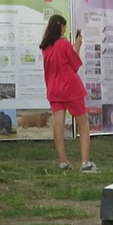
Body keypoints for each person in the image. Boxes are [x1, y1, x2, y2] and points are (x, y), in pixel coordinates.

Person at [39, 15, 97, 172]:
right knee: (83, 124)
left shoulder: (46, 47)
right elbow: (75, 65)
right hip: (70, 89)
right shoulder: (63, 44)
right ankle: (85, 163)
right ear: (61, 28)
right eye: (64, 26)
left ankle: (63, 162)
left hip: (54, 90)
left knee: (58, 124)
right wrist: (76, 46)